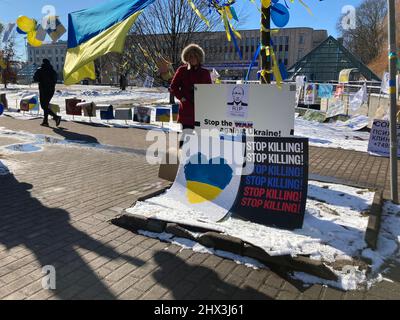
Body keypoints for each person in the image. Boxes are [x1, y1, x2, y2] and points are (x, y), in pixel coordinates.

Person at [170, 44, 212, 131]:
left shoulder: (205, 72)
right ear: (186, 57)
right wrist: (181, 97)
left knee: (200, 139)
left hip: (201, 110)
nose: (192, 59)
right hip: (187, 109)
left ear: (199, 57)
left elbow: (209, 91)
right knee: (186, 138)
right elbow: (173, 86)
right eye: (190, 56)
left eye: (195, 56)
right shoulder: (182, 70)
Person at [33, 59, 61, 127]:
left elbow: (35, 78)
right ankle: (45, 121)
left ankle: (56, 117)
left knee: (44, 106)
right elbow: (55, 80)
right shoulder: (53, 71)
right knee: (46, 105)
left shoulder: (40, 70)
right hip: (51, 90)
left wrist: (41, 79)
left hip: (43, 90)